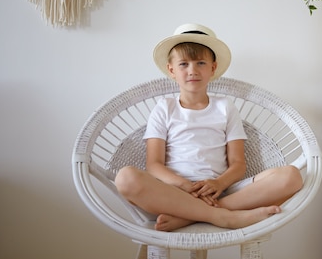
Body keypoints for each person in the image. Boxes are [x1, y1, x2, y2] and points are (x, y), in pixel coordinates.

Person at [115, 23, 303, 232]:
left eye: (201, 63)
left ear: (213, 68)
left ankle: (192, 216)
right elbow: (154, 165)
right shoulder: (164, 108)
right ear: (171, 70)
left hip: (221, 191)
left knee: (292, 176)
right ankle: (222, 216)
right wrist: (185, 185)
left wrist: (219, 184)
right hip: (172, 192)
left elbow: (238, 164)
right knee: (125, 178)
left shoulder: (225, 107)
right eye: (184, 64)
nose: (192, 70)